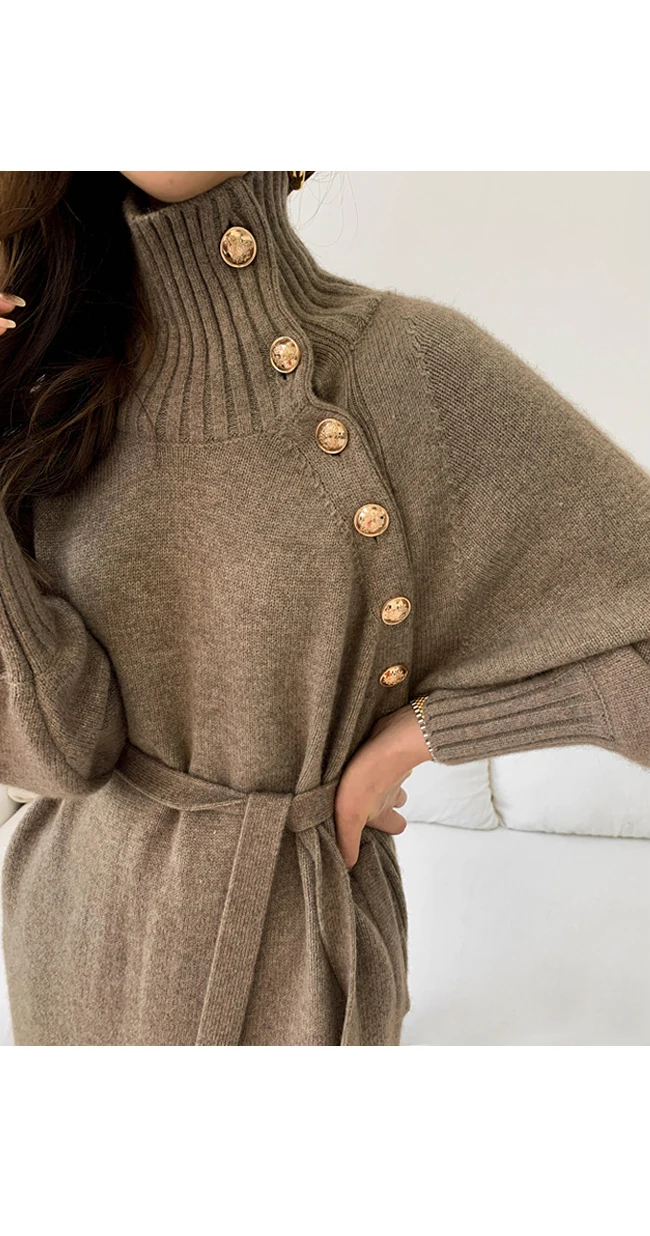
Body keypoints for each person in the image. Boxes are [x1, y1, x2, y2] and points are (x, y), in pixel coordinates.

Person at [0, 170, 648, 1046]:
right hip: (67, 944)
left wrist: (430, 732)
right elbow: (59, 751)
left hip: (296, 964)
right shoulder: (48, 373)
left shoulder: (408, 368)